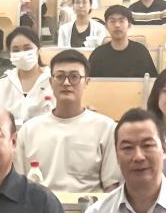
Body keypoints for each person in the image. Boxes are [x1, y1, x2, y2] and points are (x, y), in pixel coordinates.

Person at [15, 50, 120, 192]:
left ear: (86, 82)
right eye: (59, 76)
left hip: (88, 204)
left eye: (74, 77)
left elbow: (111, 186)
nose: (66, 83)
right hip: (39, 204)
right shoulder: (29, 130)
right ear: (51, 82)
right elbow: (19, 185)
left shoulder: (106, 128)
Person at [0, 27, 53, 125]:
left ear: (38, 50)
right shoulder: (4, 82)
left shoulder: (54, 80)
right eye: (16, 50)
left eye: (27, 48)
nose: (22, 54)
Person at [90, 5, 158, 78]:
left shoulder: (141, 52)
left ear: (129, 25)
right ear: (106, 26)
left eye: (121, 21)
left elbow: (153, 81)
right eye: (112, 21)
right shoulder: (97, 55)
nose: (117, 25)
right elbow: (89, 82)